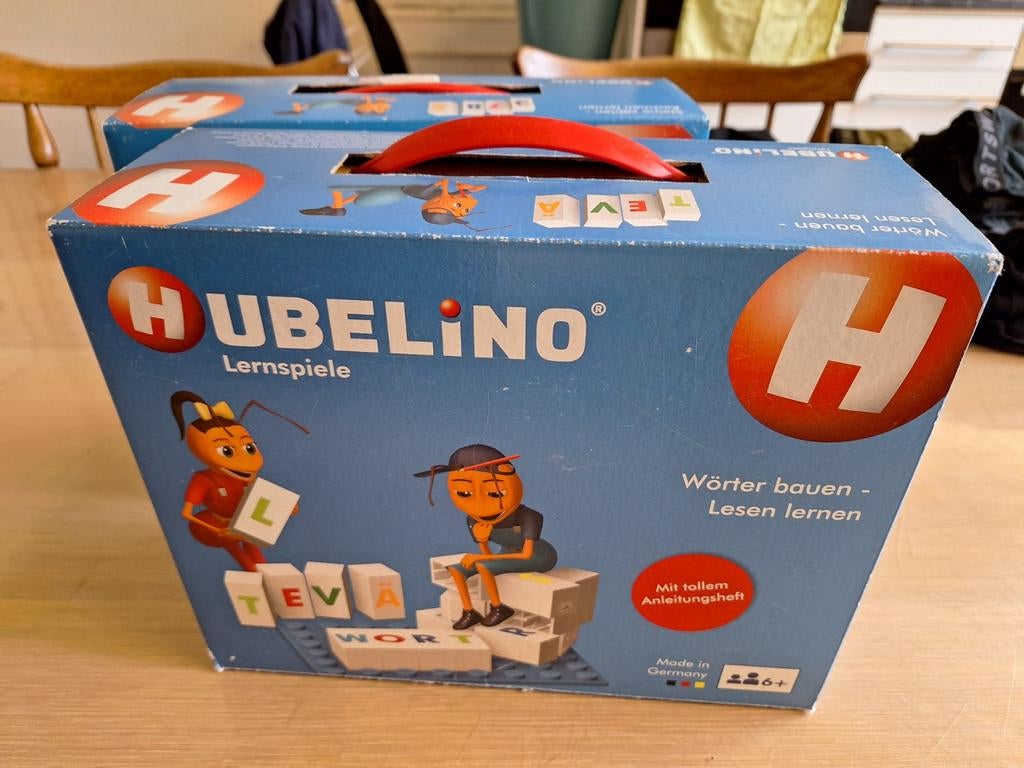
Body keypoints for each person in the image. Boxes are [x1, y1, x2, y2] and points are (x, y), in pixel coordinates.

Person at [415, 444, 557, 629]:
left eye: (494, 493)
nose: (480, 502)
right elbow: (488, 555)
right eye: (465, 493)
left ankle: (499, 608)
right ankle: (469, 612)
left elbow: (526, 554)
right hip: (507, 552)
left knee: (483, 566)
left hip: (539, 555)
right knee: (457, 570)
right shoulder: (473, 520)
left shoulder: (529, 516)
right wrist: (482, 541)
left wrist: (478, 557)